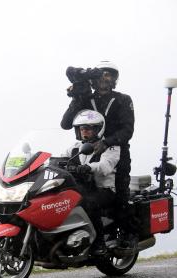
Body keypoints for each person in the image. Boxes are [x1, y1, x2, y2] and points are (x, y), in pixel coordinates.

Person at [60, 61, 136, 247]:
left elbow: (128, 131)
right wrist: (76, 96)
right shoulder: (86, 99)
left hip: (116, 151)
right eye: (101, 74)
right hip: (88, 150)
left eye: (109, 74)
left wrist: (107, 141)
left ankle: (128, 236)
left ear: (115, 79)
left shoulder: (123, 100)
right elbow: (66, 124)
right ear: (93, 79)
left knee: (120, 194)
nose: (104, 77)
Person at [63, 110, 120, 256]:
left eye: (87, 128)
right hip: (83, 187)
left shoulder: (110, 146)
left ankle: (99, 243)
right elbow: (62, 158)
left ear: (97, 129)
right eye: (81, 129)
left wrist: (88, 167)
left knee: (89, 203)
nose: (84, 132)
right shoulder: (76, 146)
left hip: (105, 189)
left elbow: (105, 166)